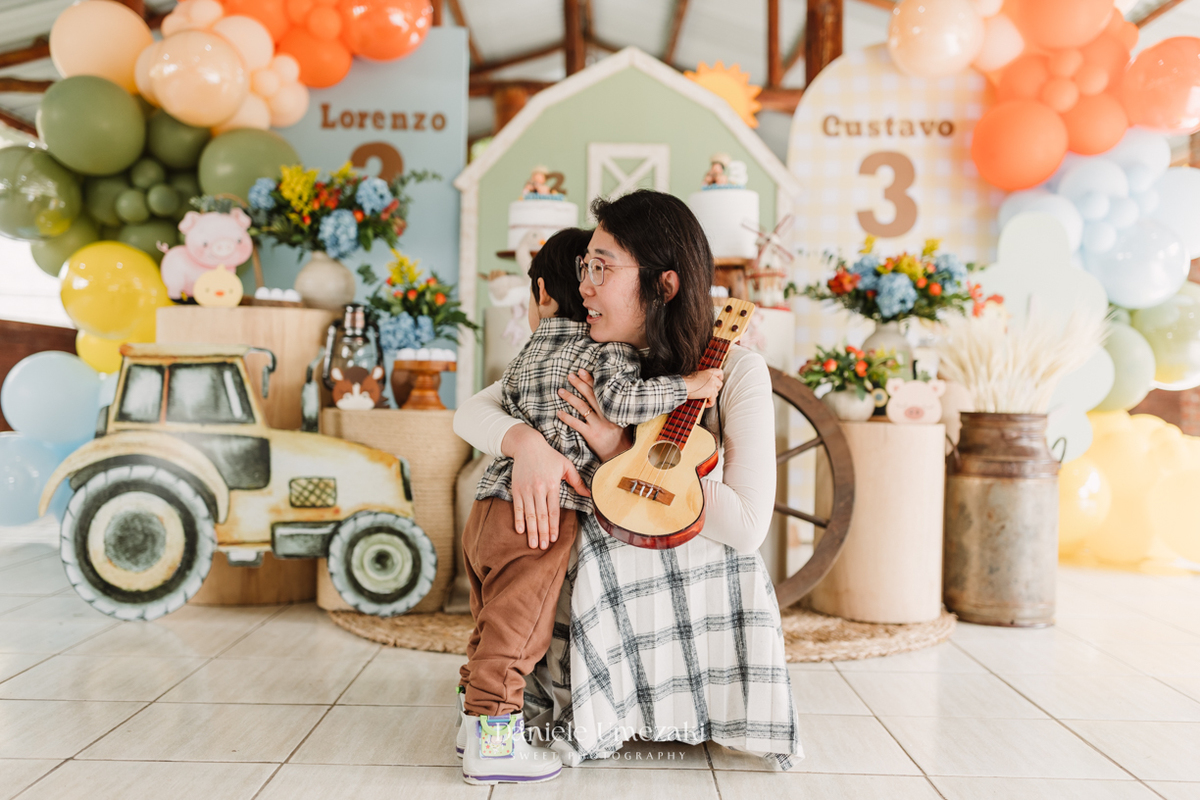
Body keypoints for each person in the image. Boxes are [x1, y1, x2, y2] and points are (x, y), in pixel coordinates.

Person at [454, 190, 802, 771]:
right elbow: (473, 412)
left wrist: (618, 448)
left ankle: (495, 724)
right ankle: (494, 725)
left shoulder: (734, 368)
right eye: (584, 267)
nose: (584, 285)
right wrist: (528, 445)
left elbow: (745, 528)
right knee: (507, 622)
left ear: (664, 285)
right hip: (552, 557)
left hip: (684, 587)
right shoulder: (585, 352)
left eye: (602, 268)